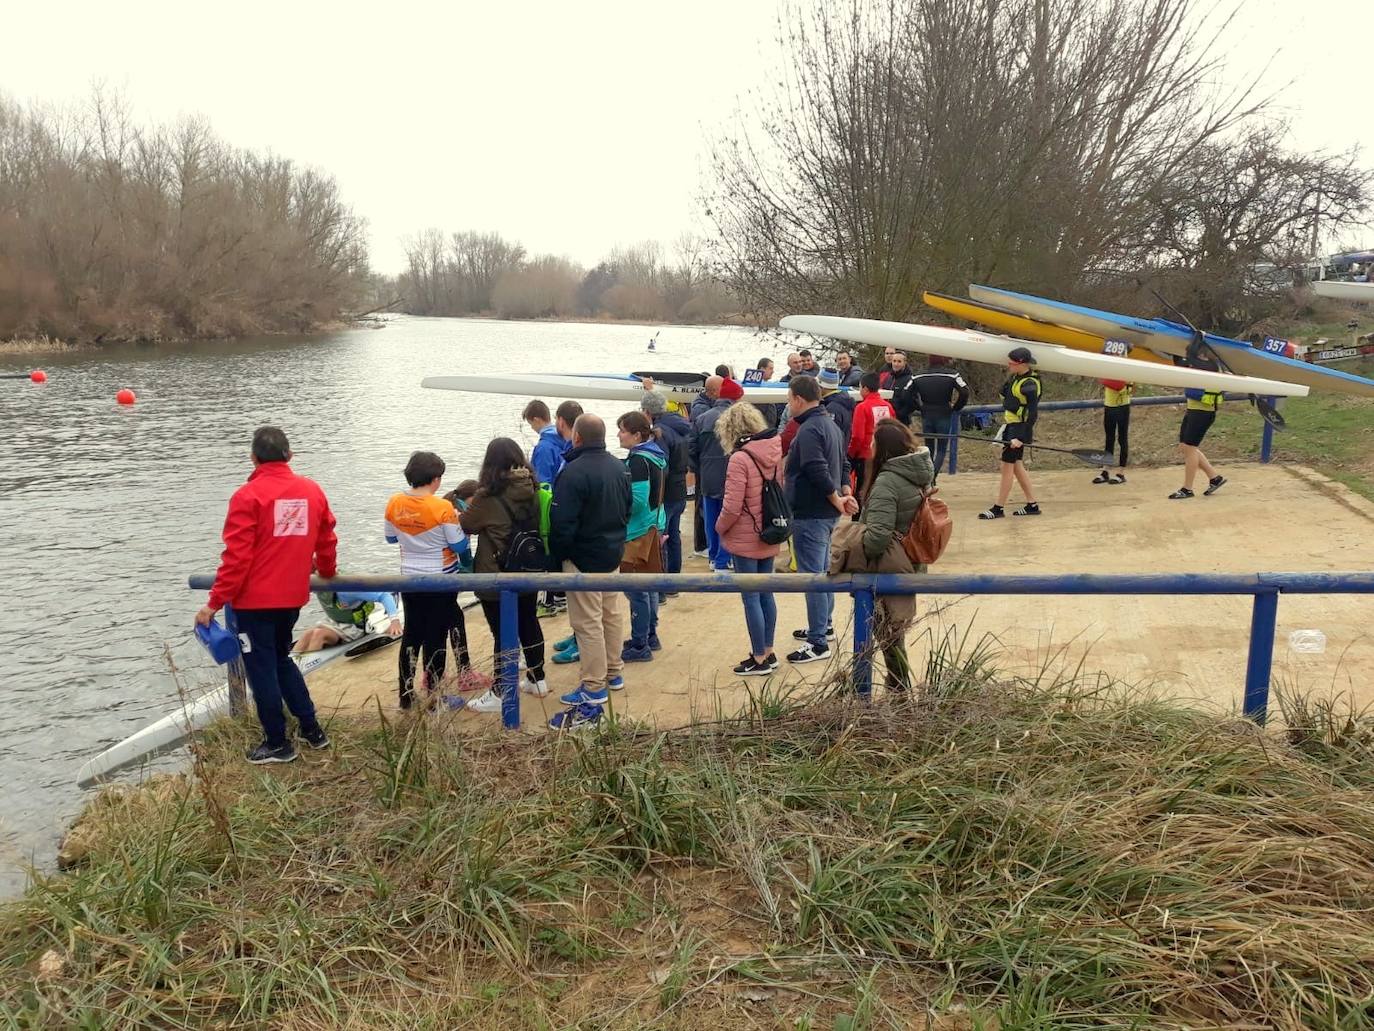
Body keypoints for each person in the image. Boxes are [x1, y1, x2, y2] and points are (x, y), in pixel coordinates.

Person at [196, 426, 336, 764]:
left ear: (253, 458)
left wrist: (213, 603)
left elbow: (236, 558)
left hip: (254, 603)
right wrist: (327, 571)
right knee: (280, 659)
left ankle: (277, 743)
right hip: (291, 597)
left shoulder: (247, 496)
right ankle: (312, 729)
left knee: (261, 669)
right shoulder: (311, 490)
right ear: (290, 455)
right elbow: (327, 538)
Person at [458, 437, 550, 713]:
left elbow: (468, 525)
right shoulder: (533, 488)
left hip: (497, 572)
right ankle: (537, 678)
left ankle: (501, 691)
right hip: (529, 566)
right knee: (529, 621)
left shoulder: (488, 495)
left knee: (501, 631)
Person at [549, 414, 632, 714]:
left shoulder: (573, 472)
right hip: (612, 553)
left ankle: (593, 686)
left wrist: (559, 557)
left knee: (587, 623)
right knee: (610, 614)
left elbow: (562, 525)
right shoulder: (620, 467)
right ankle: (614, 671)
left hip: (583, 558)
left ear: (578, 438)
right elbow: (628, 508)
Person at [384, 450, 472, 708]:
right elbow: (457, 546)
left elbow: (390, 538)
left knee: (412, 634)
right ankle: (435, 698)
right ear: (435, 478)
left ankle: (406, 695)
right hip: (440, 579)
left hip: (409, 578)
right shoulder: (442, 507)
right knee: (435, 636)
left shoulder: (394, 503)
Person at [855, 419, 934, 691]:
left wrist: (856, 550)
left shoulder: (888, 481)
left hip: (889, 566)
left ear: (884, 448)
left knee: (887, 633)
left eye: (874, 441)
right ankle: (898, 687)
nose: (870, 446)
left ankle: (896, 689)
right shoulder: (918, 471)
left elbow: (877, 536)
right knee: (893, 632)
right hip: (911, 561)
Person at [784, 375, 855, 662]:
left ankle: (818, 643)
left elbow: (816, 467)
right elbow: (843, 461)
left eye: (789, 399)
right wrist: (845, 491)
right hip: (826, 512)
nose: (788, 405)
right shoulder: (831, 424)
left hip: (812, 511)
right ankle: (823, 625)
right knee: (823, 570)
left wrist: (835, 496)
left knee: (813, 576)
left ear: (799, 399)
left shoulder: (811, 429)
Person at [714, 402, 783, 676]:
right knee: (766, 592)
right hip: (769, 528)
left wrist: (719, 528)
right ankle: (767, 649)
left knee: (750, 597)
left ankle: (758, 657)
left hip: (745, 535)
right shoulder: (774, 450)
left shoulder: (739, 459)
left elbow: (731, 506)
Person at [617, 411, 667, 662]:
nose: (618, 434)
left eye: (622, 430)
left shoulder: (638, 461)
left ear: (637, 435)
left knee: (636, 590)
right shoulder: (656, 455)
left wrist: (615, 508)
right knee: (649, 588)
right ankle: (650, 635)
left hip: (637, 530)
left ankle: (640, 644)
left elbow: (636, 501)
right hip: (654, 525)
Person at [979, 347, 1042, 519]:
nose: (1009, 365)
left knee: (1007, 467)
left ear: (1022, 363)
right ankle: (1032, 504)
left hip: (1019, 429)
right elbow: (1004, 395)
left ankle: (998, 508)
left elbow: (1033, 414)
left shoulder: (1029, 384)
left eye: (1012, 363)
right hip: (1011, 426)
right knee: (1016, 466)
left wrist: (1021, 438)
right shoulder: (1016, 378)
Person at [690, 375, 743, 571]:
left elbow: (691, 447)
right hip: (731, 474)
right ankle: (723, 559)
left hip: (707, 474)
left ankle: (713, 556)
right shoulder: (737, 418)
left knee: (711, 516)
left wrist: (700, 468)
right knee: (729, 516)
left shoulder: (703, 417)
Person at [537, 400, 583, 618]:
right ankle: (561, 596)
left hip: (558, 512)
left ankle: (550, 599)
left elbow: (543, 484)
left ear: (561, 421)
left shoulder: (546, 447)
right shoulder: (568, 448)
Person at [641, 390, 691, 587]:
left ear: (647, 411)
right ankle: (674, 579)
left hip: (667, 491)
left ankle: (664, 584)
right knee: (674, 535)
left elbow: (661, 466)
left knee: (661, 536)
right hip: (680, 487)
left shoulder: (660, 432)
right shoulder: (680, 426)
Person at [897, 356, 970, 476]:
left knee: (929, 447)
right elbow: (965, 391)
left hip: (927, 413)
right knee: (941, 449)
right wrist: (956, 407)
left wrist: (918, 406)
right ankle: (933, 475)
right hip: (944, 412)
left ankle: (929, 476)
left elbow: (905, 393)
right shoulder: (952, 374)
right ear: (944, 360)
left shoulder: (918, 375)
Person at [291, 590, 402, 655]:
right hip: (334, 622)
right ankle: (293, 660)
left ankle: (308, 667)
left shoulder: (346, 589)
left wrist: (394, 621)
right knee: (307, 634)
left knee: (318, 635)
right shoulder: (316, 583)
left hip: (353, 629)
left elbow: (384, 596)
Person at [1169, 385, 1226, 499]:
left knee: (1190, 448)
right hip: (1193, 410)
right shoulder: (1196, 368)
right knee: (1184, 446)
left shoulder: (1207, 368)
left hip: (1203, 412)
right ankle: (1214, 478)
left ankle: (1187, 489)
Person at [848, 372, 894, 495]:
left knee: (862, 490)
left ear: (865, 388)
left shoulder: (862, 407)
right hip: (885, 455)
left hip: (865, 456)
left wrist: (851, 454)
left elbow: (857, 436)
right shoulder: (888, 406)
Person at [1094, 378, 1132, 486]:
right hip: (1109, 405)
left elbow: (1129, 387)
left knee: (1122, 439)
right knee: (1109, 439)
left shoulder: (1127, 369)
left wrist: (1123, 387)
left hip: (1123, 406)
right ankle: (1105, 470)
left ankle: (1121, 473)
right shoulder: (1109, 368)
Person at [523, 399, 568, 488]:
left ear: (536, 420)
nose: (532, 428)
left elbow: (543, 482)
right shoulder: (566, 439)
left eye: (531, 424)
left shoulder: (543, 448)